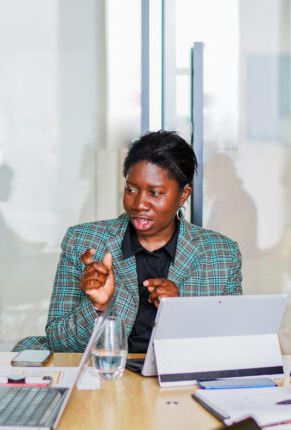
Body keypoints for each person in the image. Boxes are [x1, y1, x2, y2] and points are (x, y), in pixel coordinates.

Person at [31, 130, 242, 354]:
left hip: (180, 385)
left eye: (155, 193)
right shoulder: (83, 242)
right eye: (131, 189)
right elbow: (58, 343)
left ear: (183, 195)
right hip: (108, 380)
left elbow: (232, 346)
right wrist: (97, 306)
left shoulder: (222, 255)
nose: (139, 203)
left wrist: (182, 313)